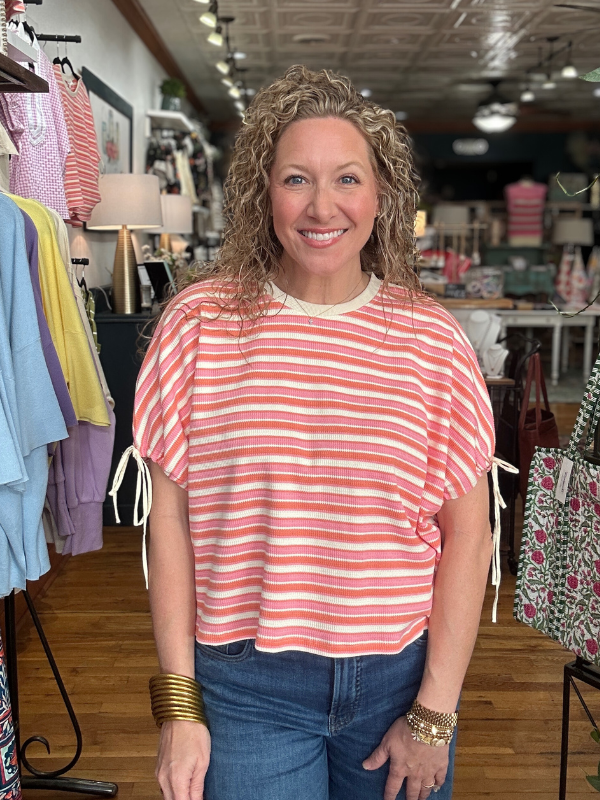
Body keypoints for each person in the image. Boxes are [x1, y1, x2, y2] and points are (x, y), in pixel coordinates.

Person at [131, 65, 496, 800]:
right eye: (296, 178)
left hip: (400, 680)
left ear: (382, 195)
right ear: (262, 193)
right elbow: (168, 521)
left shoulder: (434, 341)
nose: (321, 205)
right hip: (243, 686)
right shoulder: (198, 325)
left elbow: (470, 536)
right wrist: (180, 705)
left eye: (347, 179)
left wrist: (435, 713)